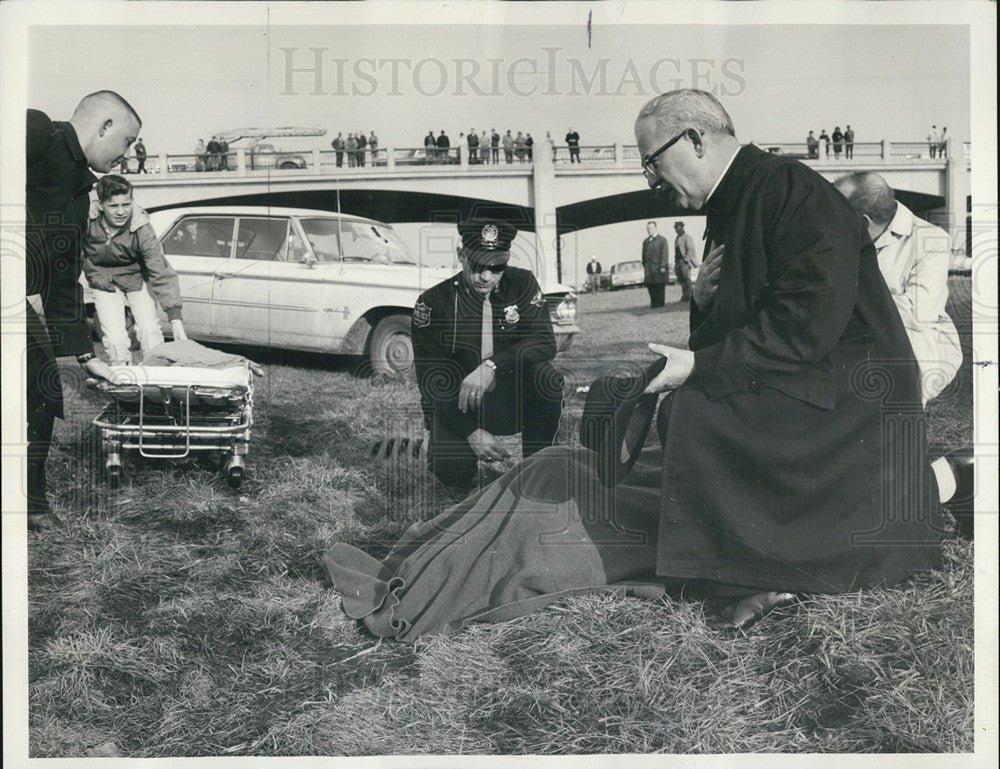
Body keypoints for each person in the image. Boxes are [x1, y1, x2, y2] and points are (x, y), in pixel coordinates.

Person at [325, 89, 957, 642]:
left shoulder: (793, 193)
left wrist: (700, 366)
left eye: (653, 163)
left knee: (695, 410)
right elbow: (754, 333)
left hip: (849, 409)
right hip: (808, 382)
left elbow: (804, 326)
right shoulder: (739, 204)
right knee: (614, 425)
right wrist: (705, 305)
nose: (652, 182)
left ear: (696, 138)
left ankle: (749, 567)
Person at [25, 91, 135, 530]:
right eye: (125, 142)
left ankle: (30, 503)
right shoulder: (36, 129)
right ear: (104, 126)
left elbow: (64, 280)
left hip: (22, 309)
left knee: (42, 391)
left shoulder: (81, 191)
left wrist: (89, 358)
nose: (125, 156)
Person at [410, 219, 564, 491]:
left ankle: (538, 468)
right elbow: (432, 382)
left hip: (511, 398)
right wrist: (470, 432)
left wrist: (492, 365)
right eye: (478, 266)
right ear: (461, 256)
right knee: (452, 471)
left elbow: (544, 342)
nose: (487, 277)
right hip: (460, 404)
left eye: (497, 268)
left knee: (547, 378)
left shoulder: (522, 283)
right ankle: (447, 451)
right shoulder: (433, 303)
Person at [834, 172, 962, 405]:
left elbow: (918, 312)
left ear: (863, 221)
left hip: (910, 337)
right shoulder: (839, 236)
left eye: (835, 209)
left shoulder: (931, 239)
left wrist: (840, 306)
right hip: (854, 331)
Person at [82, 175, 187, 365]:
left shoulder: (141, 227)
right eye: (114, 206)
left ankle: (156, 373)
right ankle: (124, 377)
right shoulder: (87, 221)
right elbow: (71, 255)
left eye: (126, 204)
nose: (121, 212)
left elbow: (159, 269)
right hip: (102, 279)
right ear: (100, 205)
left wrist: (175, 319)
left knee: (149, 330)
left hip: (137, 277)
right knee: (114, 338)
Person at [641, 221, 670, 308]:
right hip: (648, 268)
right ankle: (653, 303)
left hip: (658, 268)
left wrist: (663, 266)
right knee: (650, 286)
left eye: (651, 228)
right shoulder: (645, 241)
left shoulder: (662, 240)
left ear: (655, 228)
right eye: (648, 229)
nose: (649, 230)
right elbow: (643, 256)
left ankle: (660, 304)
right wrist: (645, 265)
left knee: (659, 286)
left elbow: (665, 254)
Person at [673, 221, 699, 302]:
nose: (677, 229)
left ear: (682, 227)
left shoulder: (687, 237)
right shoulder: (677, 238)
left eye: (679, 227)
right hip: (678, 262)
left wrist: (685, 260)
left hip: (684, 262)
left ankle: (689, 296)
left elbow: (690, 250)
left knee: (686, 279)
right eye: (676, 228)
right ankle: (685, 296)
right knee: (681, 279)